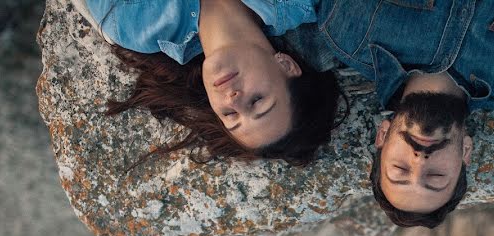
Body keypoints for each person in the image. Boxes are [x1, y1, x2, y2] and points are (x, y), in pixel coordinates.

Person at [299, 0, 494, 227]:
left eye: (400, 170)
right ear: (465, 151)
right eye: (435, 177)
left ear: (382, 135)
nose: (420, 161)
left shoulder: (348, 33)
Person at [75, 0, 346, 165]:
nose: (233, 99)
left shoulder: (135, 26)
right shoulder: (300, 4)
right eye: (257, 100)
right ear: (286, 65)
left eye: (230, 115)